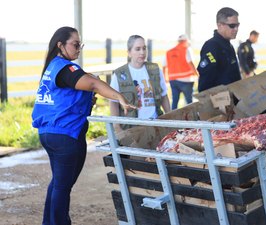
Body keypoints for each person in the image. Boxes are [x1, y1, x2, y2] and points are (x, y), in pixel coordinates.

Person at [31, 26, 136, 225]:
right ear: (60, 45)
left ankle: (50, 222)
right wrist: (119, 97)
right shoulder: (65, 68)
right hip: (65, 135)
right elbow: (94, 83)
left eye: (81, 45)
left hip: (49, 133)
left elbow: (64, 98)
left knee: (58, 184)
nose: (79, 49)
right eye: (75, 44)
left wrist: (86, 100)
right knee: (62, 186)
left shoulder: (52, 68)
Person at [110, 34, 171, 131]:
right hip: (132, 127)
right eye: (137, 49)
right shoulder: (119, 74)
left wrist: (170, 118)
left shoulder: (155, 69)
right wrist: (116, 125)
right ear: (129, 52)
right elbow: (113, 102)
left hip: (155, 124)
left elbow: (163, 96)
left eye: (144, 48)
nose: (142, 52)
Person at [197, 7, 241, 92]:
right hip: (220, 101)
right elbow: (206, 81)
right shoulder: (211, 46)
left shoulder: (229, 46)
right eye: (232, 26)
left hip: (232, 100)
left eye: (237, 25)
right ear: (220, 25)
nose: (236, 29)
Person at [162, 34, 199, 110]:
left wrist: (165, 79)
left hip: (173, 80)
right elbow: (190, 63)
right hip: (186, 80)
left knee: (175, 102)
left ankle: (172, 119)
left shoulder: (169, 52)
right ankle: (191, 119)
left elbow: (164, 66)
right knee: (189, 102)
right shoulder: (186, 49)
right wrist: (197, 74)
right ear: (186, 41)